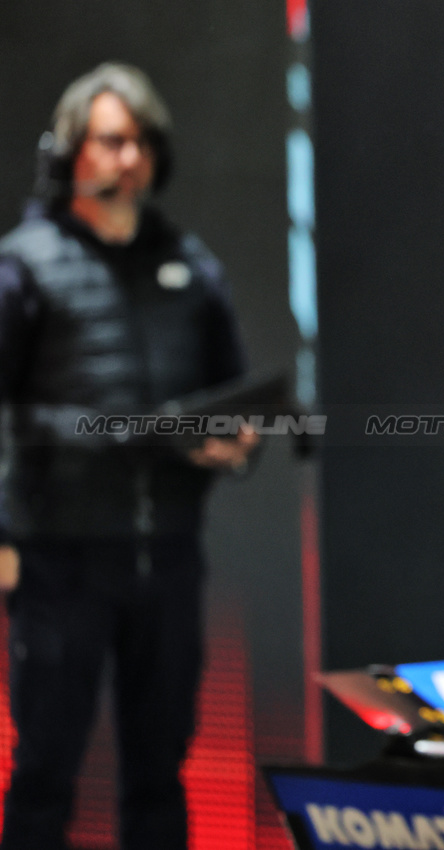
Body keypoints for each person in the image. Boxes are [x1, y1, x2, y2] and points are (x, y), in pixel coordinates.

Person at [0, 63, 257, 850]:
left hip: (167, 559)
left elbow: (237, 392)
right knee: (45, 769)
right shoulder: (24, 265)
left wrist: (235, 445)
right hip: (57, 560)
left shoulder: (189, 263)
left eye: (142, 142)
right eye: (112, 140)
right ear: (69, 152)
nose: (128, 158)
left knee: (161, 771)